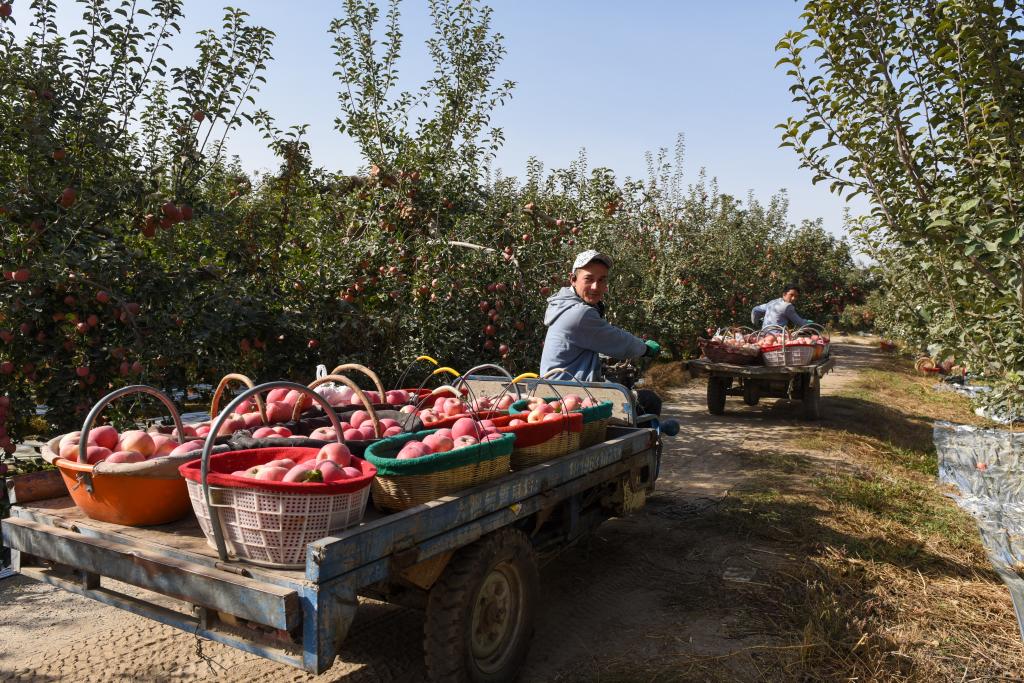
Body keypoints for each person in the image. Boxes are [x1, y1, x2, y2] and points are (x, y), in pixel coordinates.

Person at [539, 250, 661, 383]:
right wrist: (645, 348)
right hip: (568, 392)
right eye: (589, 279)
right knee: (649, 400)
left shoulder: (563, 306)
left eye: (601, 280)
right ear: (573, 279)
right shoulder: (578, 313)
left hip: (560, 387)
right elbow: (617, 341)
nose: (595, 287)